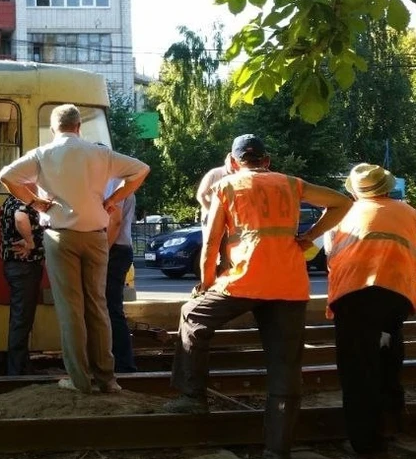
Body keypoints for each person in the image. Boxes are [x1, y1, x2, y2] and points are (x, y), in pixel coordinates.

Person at [161, 134, 351, 459]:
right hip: (289, 285)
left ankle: (193, 397)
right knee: (285, 367)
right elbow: (343, 202)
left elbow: (209, 245)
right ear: (267, 160)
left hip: (244, 280)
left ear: (234, 162)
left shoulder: (227, 186)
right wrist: (309, 236)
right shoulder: (291, 183)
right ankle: (277, 452)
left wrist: (206, 283)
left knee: (193, 315)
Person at [0, 104, 150, 394]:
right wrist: (114, 199)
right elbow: (141, 170)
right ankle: (107, 378)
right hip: (96, 237)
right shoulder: (100, 153)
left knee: (71, 310)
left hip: (61, 238)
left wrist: (34, 202)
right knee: (98, 307)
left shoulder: (43, 154)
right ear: (80, 126)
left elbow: (6, 176)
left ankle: (80, 381)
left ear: (54, 128)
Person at [325, 163, 416, 458]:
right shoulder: (409, 212)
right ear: (387, 187)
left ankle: (368, 444)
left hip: (352, 294)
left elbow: (329, 253)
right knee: (388, 342)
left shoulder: (344, 214)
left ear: (354, 190)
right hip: (397, 293)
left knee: (357, 368)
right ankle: (393, 406)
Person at [0, 193, 46, 375]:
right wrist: (31, 242)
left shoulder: (9, 200)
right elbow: (20, 217)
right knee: (22, 319)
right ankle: (16, 371)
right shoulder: (21, 202)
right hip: (24, 267)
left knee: (20, 318)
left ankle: (20, 366)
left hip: (15, 267)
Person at [105, 183, 138, 373]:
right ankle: (121, 362)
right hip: (120, 249)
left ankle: (123, 364)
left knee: (111, 308)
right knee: (112, 308)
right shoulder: (121, 183)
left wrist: (102, 252)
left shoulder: (113, 184)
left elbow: (114, 221)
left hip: (114, 250)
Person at [197, 154, 234, 274]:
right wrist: (213, 212)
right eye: (231, 161)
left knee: (227, 251)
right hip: (212, 217)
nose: (234, 165)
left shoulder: (238, 176)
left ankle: (224, 276)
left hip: (231, 218)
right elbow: (201, 195)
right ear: (227, 160)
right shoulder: (215, 173)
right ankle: (208, 279)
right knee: (211, 248)